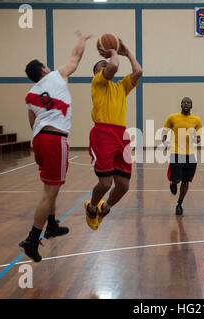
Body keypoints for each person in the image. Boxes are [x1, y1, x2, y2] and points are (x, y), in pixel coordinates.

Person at [19, 31, 94, 262]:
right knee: (49, 193)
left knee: (50, 188)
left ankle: (51, 225)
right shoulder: (56, 76)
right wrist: (83, 38)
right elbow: (75, 57)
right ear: (43, 70)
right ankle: (32, 239)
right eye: (46, 65)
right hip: (55, 139)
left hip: (40, 139)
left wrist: (36, 145)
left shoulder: (31, 94)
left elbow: (32, 121)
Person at [85, 38, 142, 230]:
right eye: (102, 65)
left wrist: (127, 52)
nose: (106, 65)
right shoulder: (97, 82)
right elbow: (113, 68)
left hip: (121, 135)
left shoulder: (120, 87)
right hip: (103, 133)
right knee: (105, 182)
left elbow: (138, 72)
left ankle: (105, 208)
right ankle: (92, 207)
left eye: (106, 62)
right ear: (96, 72)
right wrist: (113, 53)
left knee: (124, 186)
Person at [162, 97, 202, 215]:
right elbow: (164, 132)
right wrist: (165, 143)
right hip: (176, 152)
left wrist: (197, 138)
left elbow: (199, 137)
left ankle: (179, 204)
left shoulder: (196, 120)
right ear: (180, 104)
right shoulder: (172, 118)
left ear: (191, 106)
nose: (186, 104)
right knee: (178, 179)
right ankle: (173, 183)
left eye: (189, 102)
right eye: (184, 102)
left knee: (186, 181)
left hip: (190, 154)